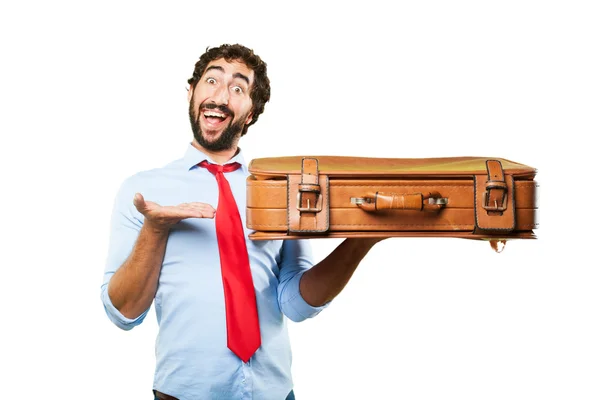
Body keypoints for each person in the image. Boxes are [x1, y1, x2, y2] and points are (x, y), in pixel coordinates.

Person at [101, 43, 383, 400]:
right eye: (211, 80)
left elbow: (296, 303)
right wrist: (154, 230)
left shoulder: (282, 189)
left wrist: (364, 238)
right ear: (191, 93)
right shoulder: (143, 190)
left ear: (250, 112)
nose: (220, 96)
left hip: (275, 393)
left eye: (237, 88)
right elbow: (122, 312)